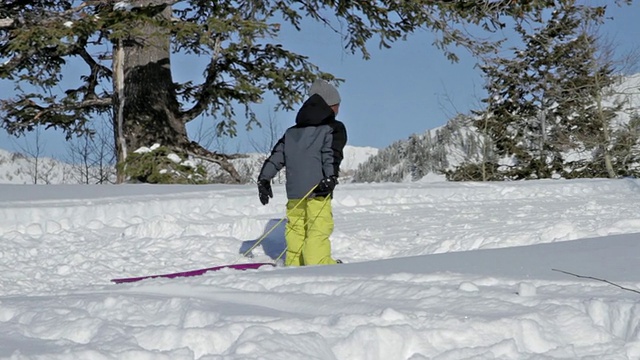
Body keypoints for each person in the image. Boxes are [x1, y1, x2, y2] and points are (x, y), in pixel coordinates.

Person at [257, 79, 347, 266]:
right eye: (337, 105)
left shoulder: (291, 132)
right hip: (318, 189)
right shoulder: (333, 128)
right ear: (330, 106)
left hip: (295, 192)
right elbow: (331, 154)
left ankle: (294, 264)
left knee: (296, 228)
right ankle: (318, 265)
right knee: (318, 228)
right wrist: (331, 177)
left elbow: (277, 156)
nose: (338, 110)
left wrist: (264, 178)